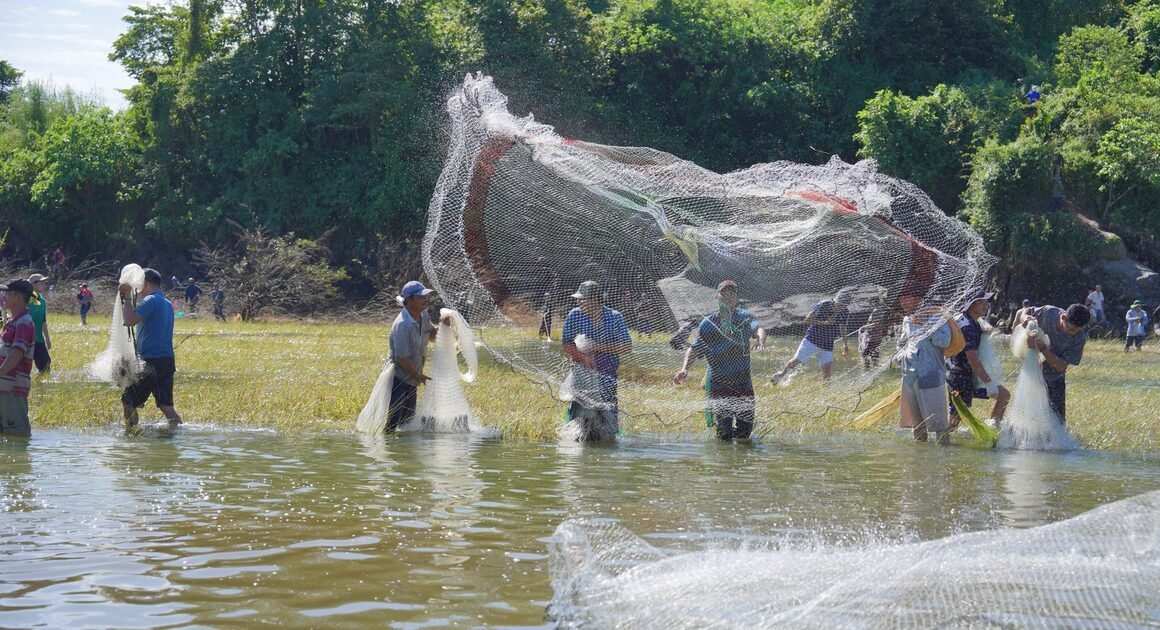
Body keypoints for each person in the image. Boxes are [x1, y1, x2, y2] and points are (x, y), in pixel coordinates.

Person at [673, 280, 766, 440]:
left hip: (743, 384)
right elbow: (695, 348)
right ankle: (723, 462)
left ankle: (739, 463)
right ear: (717, 296)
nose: (728, 297)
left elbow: (759, 329)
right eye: (724, 293)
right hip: (720, 384)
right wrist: (684, 369)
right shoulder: (708, 324)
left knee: (745, 432)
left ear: (737, 298)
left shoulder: (745, 317)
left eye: (732, 294)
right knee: (724, 433)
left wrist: (760, 340)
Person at [561, 280, 632, 441]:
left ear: (594, 301)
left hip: (607, 374)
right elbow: (567, 344)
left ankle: (606, 445)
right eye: (578, 299)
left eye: (582, 299)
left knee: (606, 413)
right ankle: (579, 445)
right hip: (581, 375)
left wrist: (597, 346)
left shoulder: (614, 317)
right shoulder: (575, 315)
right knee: (579, 415)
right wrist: (583, 358)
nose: (578, 302)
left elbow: (627, 346)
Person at [119, 268, 182, 428]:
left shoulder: (151, 300)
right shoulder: (166, 303)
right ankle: (179, 433)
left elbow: (129, 320)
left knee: (128, 402)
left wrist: (126, 297)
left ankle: (131, 436)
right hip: (166, 362)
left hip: (150, 363)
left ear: (144, 283)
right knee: (166, 406)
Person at [386, 281, 450, 432]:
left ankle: (403, 452)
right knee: (392, 421)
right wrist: (418, 376)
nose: (426, 299)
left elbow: (432, 337)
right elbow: (402, 358)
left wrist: (443, 325)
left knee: (407, 421)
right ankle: (389, 449)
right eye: (421, 296)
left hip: (412, 378)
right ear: (409, 299)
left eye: (427, 295)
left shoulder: (423, 315)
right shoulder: (403, 325)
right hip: (399, 378)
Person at [946, 289, 1011, 429]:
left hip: (963, 375)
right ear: (971, 305)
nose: (985, 305)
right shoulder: (969, 327)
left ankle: (994, 428)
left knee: (1004, 394)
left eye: (986, 302)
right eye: (981, 302)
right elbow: (973, 360)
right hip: (962, 378)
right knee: (955, 418)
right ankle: (942, 443)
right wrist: (989, 382)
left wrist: (983, 332)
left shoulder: (968, 321)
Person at [1016, 303, 1090, 423]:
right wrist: (1025, 319)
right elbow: (1027, 310)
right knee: (1027, 414)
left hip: (1054, 380)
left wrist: (1042, 348)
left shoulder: (1079, 338)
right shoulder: (1048, 313)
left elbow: (1060, 367)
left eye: (1077, 330)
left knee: (1056, 420)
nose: (1072, 333)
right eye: (1070, 329)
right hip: (1032, 374)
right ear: (1063, 317)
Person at [896, 295, 952, 443]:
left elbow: (945, 342)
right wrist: (901, 356)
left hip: (931, 375)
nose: (902, 303)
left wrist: (926, 326)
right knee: (917, 423)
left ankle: (944, 454)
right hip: (910, 376)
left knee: (939, 423)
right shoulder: (907, 319)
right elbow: (902, 342)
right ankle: (919, 458)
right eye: (901, 299)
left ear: (916, 298)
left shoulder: (936, 316)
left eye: (905, 298)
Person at [771, 289, 852, 382]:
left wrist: (845, 344)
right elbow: (808, 319)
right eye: (840, 305)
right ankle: (780, 375)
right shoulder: (823, 304)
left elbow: (843, 328)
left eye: (844, 306)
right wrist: (824, 323)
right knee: (796, 361)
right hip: (812, 340)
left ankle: (825, 390)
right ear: (835, 301)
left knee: (827, 373)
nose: (841, 308)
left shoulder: (845, 311)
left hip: (827, 344)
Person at [0, 280, 37, 437]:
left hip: (13, 389)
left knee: (16, 436)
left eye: (8, 293)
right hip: (4, 386)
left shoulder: (24, 322)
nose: (4, 296)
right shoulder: (12, 321)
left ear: (19, 298)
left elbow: (16, 354)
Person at [26, 274, 52, 376]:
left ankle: (40, 385)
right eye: (42, 283)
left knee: (46, 364)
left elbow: (43, 321)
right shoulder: (25, 299)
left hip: (38, 339)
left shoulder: (42, 300)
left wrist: (47, 339)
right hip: (25, 339)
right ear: (33, 285)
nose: (44, 285)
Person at [858, 297, 891, 369]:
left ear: (873, 303)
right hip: (877, 337)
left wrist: (864, 327)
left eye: (870, 303)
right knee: (874, 353)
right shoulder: (881, 310)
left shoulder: (876, 311)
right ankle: (874, 369)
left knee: (864, 354)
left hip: (872, 337)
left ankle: (866, 369)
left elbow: (876, 324)